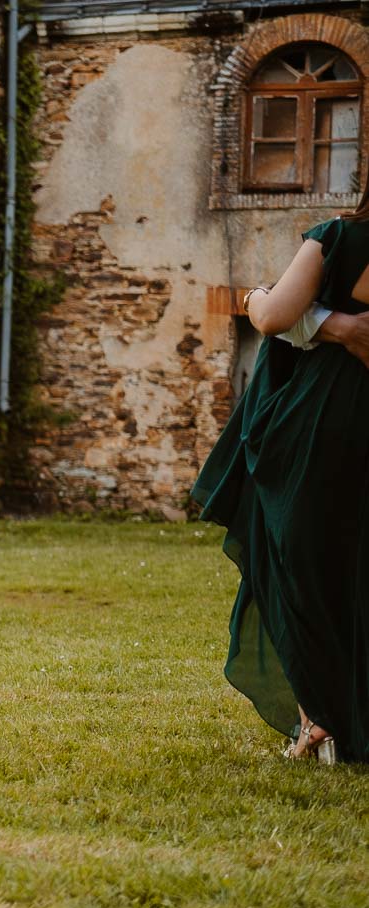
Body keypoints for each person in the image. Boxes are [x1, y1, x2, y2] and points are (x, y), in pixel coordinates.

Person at [193, 205, 369, 763]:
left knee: (292, 558)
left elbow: (271, 319)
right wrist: (336, 325)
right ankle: (323, 718)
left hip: (322, 422)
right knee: (350, 565)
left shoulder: (338, 237)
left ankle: (320, 717)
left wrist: (251, 296)